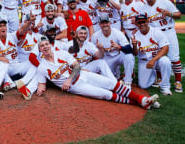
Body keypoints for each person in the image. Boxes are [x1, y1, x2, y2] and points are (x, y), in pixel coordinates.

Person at [15, 36, 160, 110]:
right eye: (42, 46)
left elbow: (77, 67)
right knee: (105, 94)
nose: (45, 47)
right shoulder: (42, 67)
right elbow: (41, 83)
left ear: (50, 45)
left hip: (82, 76)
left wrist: (68, 80)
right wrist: (40, 89)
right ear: (40, 50)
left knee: (111, 83)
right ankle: (141, 103)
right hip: (77, 88)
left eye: (46, 44)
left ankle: (141, 100)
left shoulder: (62, 54)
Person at [139, 0, 182, 93]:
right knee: (157, 56)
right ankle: (159, 78)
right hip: (156, 34)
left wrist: (170, 14)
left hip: (168, 31)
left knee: (174, 57)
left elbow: (179, 15)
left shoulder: (165, 3)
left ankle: (178, 82)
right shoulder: (143, 8)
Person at [0, 14, 36, 91]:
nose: (3, 28)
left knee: (33, 64)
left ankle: (21, 82)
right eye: (0, 26)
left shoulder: (12, 36)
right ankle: (8, 82)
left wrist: (30, 21)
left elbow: (21, 30)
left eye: (4, 25)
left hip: (15, 65)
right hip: (4, 68)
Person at [131, 14, 172, 95]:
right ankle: (154, 75)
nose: (142, 24)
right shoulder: (134, 36)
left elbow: (165, 48)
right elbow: (135, 54)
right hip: (144, 62)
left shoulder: (156, 32)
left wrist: (153, 60)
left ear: (148, 22)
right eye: (139, 22)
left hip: (157, 59)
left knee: (165, 61)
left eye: (144, 22)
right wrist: (135, 46)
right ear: (136, 24)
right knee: (143, 86)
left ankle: (165, 87)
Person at [91, 14, 135, 88]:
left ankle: (128, 82)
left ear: (110, 23)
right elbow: (93, 53)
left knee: (129, 57)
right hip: (107, 57)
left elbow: (129, 50)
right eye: (102, 23)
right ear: (99, 24)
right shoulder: (95, 36)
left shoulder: (117, 33)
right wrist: (100, 50)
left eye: (106, 22)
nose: (105, 25)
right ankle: (117, 73)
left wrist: (119, 47)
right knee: (108, 80)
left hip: (119, 55)